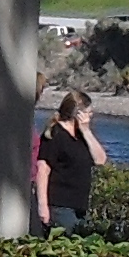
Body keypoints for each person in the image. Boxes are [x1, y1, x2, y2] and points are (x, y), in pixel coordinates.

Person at [38, 90, 107, 225]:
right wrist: (43, 206)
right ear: (78, 114)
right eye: (88, 112)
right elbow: (43, 170)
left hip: (79, 206)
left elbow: (100, 160)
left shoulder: (81, 135)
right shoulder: (55, 134)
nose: (91, 115)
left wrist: (86, 131)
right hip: (60, 205)